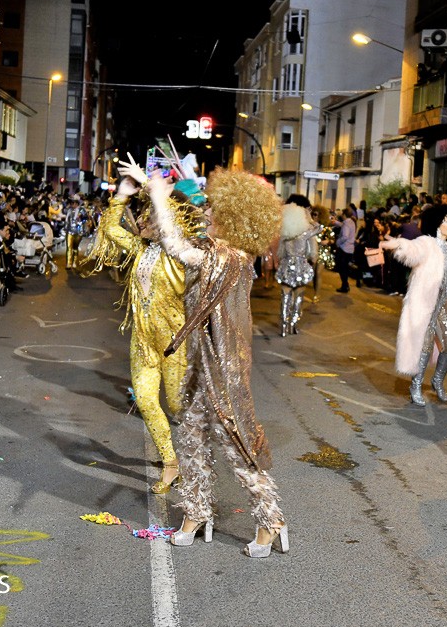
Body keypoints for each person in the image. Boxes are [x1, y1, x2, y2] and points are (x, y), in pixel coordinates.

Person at [134, 162, 288, 559]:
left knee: (235, 444)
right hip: (201, 365)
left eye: (213, 211)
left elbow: (174, 245)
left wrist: (159, 195)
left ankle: (271, 520)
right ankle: (196, 512)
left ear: (234, 219)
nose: (207, 214)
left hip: (223, 371)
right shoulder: (219, 253)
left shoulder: (229, 258)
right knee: (190, 438)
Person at [80, 173, 196, 494]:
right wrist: (121, 195)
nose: (142, 221)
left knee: (175, 405)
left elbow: (175, 228)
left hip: (174, 342)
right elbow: (110, 229)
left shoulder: (178, 253)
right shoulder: (139, 249)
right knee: (145, 400)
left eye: (149, 217)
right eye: (142, 216)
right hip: (143, 340)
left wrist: (159, 194)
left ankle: (195, 459)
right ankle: (170, 462)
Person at [381, 206, 447, 406]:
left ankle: (437, 380)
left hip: (443, 303)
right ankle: (416, 386)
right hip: (425, 304)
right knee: (425, 346)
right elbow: (412, 250)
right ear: (437, 222)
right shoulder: (427, 243)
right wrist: (398, 244)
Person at [276, 198, 318, 336]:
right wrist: (310, 219)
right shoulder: (304, 234)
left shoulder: (285, 235)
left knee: (285, 295)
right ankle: (293, 325)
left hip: (287, 265)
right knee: (299, 295)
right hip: (300, 266)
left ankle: (283, 327)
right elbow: (319, 228)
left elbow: (280, 253)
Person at [332, 206, 356, 293]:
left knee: (342, 268)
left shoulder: (346, 223)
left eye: (342, 214)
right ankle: (345, 285)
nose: (341, 215)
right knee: (344, 268)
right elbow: (343, 225)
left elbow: (345, 236)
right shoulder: (351, 222)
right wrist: (336, 222)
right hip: (350, 249)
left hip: (344, 248)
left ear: (344, 215)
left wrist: (337, 242)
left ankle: (345, 285)